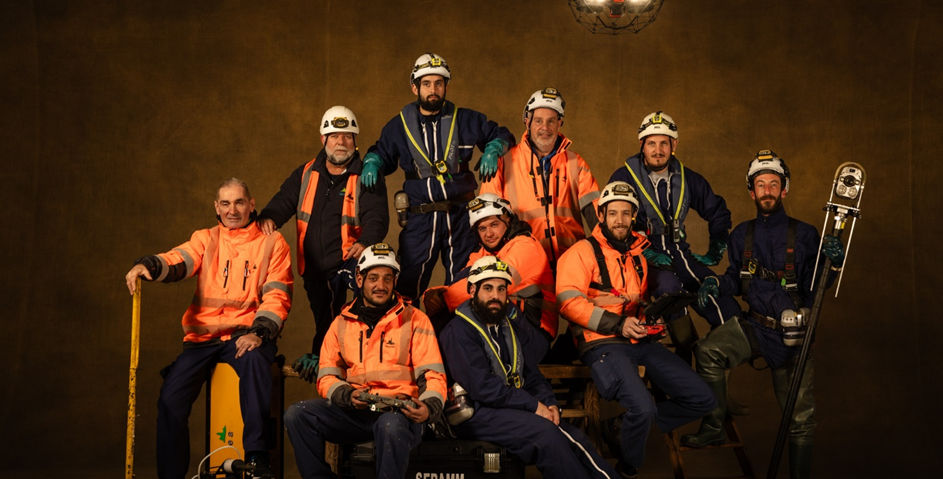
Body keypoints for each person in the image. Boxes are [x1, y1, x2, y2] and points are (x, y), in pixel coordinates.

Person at [680, 150, 845, 479]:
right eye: (760, 184)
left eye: (774, 184)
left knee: (799, 420)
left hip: (792, 335)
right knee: (707, 350)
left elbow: (819, 285)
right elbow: (735, 280)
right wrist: (715, 283)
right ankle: (714, 426)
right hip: (754, 327)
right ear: (751, 191)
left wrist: (834, 262)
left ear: (784, 190)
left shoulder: (806, 234)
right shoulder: (742, 234)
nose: (767, 190)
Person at [124, 178, 293, 479]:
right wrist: (147, 265)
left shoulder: (272, 243)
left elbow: (277, 295)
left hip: (246, 334)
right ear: (216, 207)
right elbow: (178, 261)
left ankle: (256, 458)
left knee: (256, 360)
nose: (232, 210)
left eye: (239, 202)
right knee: (170, 399)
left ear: (252, 204)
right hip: (202, 339)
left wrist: (260, 332)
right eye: (225, 203)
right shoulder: (206, 238)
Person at [556, 181, 715, 478]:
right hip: (600, 342)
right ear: (601, 216)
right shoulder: (581, 252)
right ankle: (628, 469)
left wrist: (651, 321)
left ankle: (618, 427)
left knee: (703, 399)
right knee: (643, 408)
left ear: (633, 217)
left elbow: (633, 301)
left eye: (626, 214)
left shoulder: (638, 255)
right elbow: (568, 302)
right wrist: (618, 323)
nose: (619, 220)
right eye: (613, 213)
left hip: (638, 340)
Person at [439, 256, 620, 479]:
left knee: (574, 436)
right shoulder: (458, 331)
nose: (495, 296)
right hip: (477, 413)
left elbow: (531, 374)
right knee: (546, 436)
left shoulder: (508, 325)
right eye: (488, 288)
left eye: (501, 289)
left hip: (509, 407)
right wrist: (534, 406)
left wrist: (550, 405)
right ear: (472, 290)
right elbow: (482, 388)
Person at [283, 243, 448, 479]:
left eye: (387, 278)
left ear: (394, 281)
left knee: (389, 426)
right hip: (356, 412)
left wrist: (430, 408)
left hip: (400, 413)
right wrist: (345, 395)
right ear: (359, 280)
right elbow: (327, 375)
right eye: (373, 278)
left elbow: (433, 374)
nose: (380, 286)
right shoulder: (341, 322)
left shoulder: (415, 319)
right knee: (297, 415)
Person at [360, 52, 515, 301]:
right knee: (407, 287)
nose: (433, 89)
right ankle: (407, 337)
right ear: (415, 87)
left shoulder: (466, 119)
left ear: (446, 86)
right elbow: (381, 152)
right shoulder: (398, 126)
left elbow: (503, 133)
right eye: (427, 83)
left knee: (465, 285)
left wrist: (494, 148)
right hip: (420, 218)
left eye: (439, 83)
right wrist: (372, 162)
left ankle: (458, 337)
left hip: (462, 216)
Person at [257, 106, 389, 383]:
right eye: (334, 135)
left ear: (356, 140)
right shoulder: (305, 173)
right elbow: (284, 200)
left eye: (348, 136)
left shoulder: (366, 175)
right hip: (315, 268)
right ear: (323, 139)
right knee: (326, 319)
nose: (341, 142)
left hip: (349, 262)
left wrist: (366, 242)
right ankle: (328, 361)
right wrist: (269, 216)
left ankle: (362, 362)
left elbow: (377, 215)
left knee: (365, 309)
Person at [608, 111, 739, 362]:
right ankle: (684, 354)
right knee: (670, 290)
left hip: (681, 255)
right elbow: (613, 224)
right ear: (642, 145)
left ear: (674, 145)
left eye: (664, 143)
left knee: (724, 303)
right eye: (651, 143)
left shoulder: (687, 178)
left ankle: (715, 375)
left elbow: (718, 212)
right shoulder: (623, 178)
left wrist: (718, 244)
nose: (658, 150)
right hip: (644, 261)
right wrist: (642, 249)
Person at [426, 193, 556, 362]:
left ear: (508, 220)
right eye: (482, 228)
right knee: (457, 312)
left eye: (494, 224)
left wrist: (443, 299)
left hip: (533, 336)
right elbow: (457, 285)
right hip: (502, 327)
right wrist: (431, 294)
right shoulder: (482, 254)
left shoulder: (525, 247)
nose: (489, 233)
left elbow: (492, 282)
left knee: (477, 298)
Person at [480, 88, 600, 270]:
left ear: (560, 123)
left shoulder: (575, 162)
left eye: (551, 121)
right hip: (523, 262)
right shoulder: (503, 163)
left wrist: (607, 253)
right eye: (538, 121)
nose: (545, 127)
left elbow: (597, 215)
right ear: (527, 122)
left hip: (571, 262)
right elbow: (487, 220)